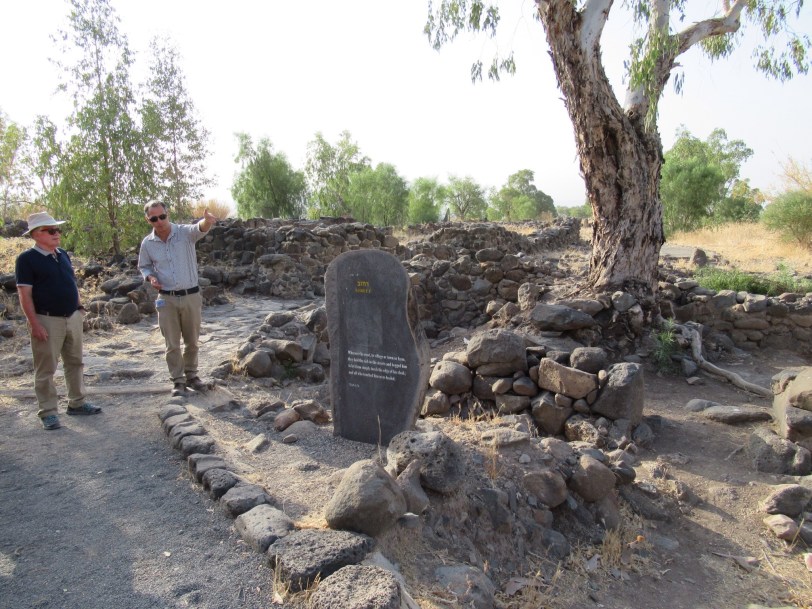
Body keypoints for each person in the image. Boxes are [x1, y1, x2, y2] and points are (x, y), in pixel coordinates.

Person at [15, 211, 102, 430]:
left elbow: (71, 282)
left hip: (72, 316)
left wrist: (79, 307)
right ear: (36, 234)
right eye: (50, 230)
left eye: (57, 230)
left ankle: (77, 402)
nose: (56, 234)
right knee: (46, 368)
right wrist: (35, 323)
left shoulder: (62, 254)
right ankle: (48, 412)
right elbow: (24, 295)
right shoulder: (26, 259)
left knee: (75, 362)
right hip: (47, 319)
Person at [137, 201, 218, 397]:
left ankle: (192, 376)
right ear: (148, 220)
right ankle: (178, 381)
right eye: (154, 219)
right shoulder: (148, 243)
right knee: (171, 344)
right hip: (167, 299)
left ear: (168, 214)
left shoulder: (184, 233)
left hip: (190, 296)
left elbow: (199, 229)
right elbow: (144, 266)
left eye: (162, 216)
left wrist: (207, 222)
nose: (159, 221)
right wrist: (150, 277)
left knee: (192, 341)